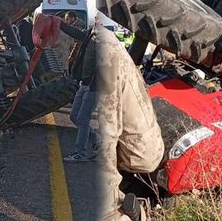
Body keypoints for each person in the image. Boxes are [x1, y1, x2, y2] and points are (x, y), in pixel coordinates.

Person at [95, 25, 164, 220]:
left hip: (138, 152)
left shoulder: (104, 51)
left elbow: (107, 136)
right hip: (138, 146)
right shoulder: (103, 42)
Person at [55, 17, 101, 162]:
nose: (97, 19)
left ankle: (79, 152)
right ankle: (98, 140)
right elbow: (76, 33)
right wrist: (60, 23)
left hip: (94, 87)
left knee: (82, 118)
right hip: (84, 84)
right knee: (74, 116)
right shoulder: (91, 33)